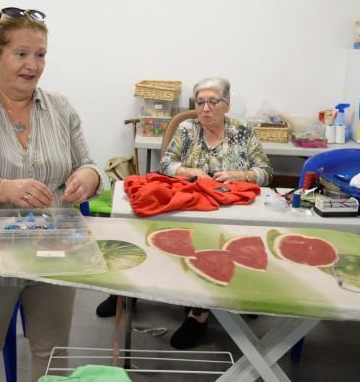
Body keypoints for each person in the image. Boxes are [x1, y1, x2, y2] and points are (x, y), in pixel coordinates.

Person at [0, 7, 105, 382]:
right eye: (21, 54)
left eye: (40, 54)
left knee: (52, 347)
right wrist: (0, 189)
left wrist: (89, 177)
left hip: (55, 248)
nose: (33, 65)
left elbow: (90, 163)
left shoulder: (60, 107)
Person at [95, 77, 273, 349]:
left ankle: (197, 314)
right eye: (200, 102)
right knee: (141, 226)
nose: (205, 108)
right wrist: (192, 172)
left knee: (215, 247)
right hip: (188, 208)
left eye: (213, 101)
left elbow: (266, 172)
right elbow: (165, 165)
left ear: (227, 104)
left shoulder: (243, 132)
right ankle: (124, 292)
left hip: (228, 212)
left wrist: (240, 175)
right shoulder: (188, 129)